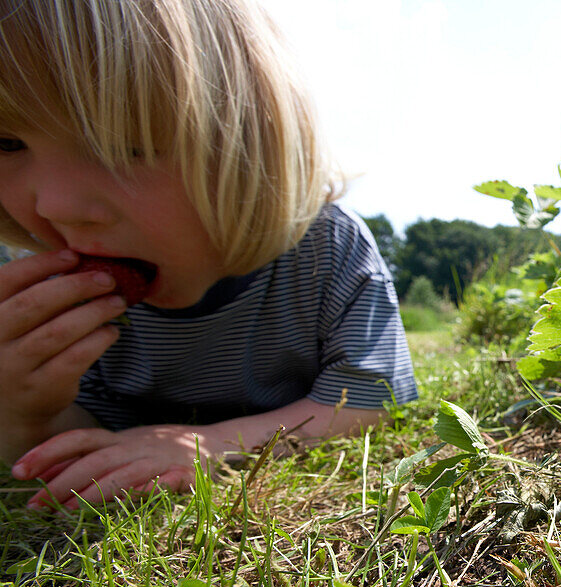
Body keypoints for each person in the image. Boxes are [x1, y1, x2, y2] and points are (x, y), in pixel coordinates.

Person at [0, 0, 417, 510]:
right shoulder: (37, 295)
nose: (55, 206)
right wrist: (26, 412)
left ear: (252, 138)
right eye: (7, 143)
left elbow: (368, 403)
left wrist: (211, 445)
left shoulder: (325, 249)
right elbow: (81, 442)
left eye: (126, 145)